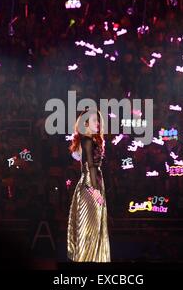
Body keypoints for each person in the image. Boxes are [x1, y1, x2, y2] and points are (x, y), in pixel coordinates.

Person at [67, 108, 110, 262]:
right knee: (89, 227)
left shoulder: (92, 140)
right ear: (86, 123)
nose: (97, 123)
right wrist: (95, 190)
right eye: (93, 120)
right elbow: (90, 166)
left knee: (95, 226)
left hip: (95, 182)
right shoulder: (86, 140)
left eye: (98, 120)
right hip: (89, 185)